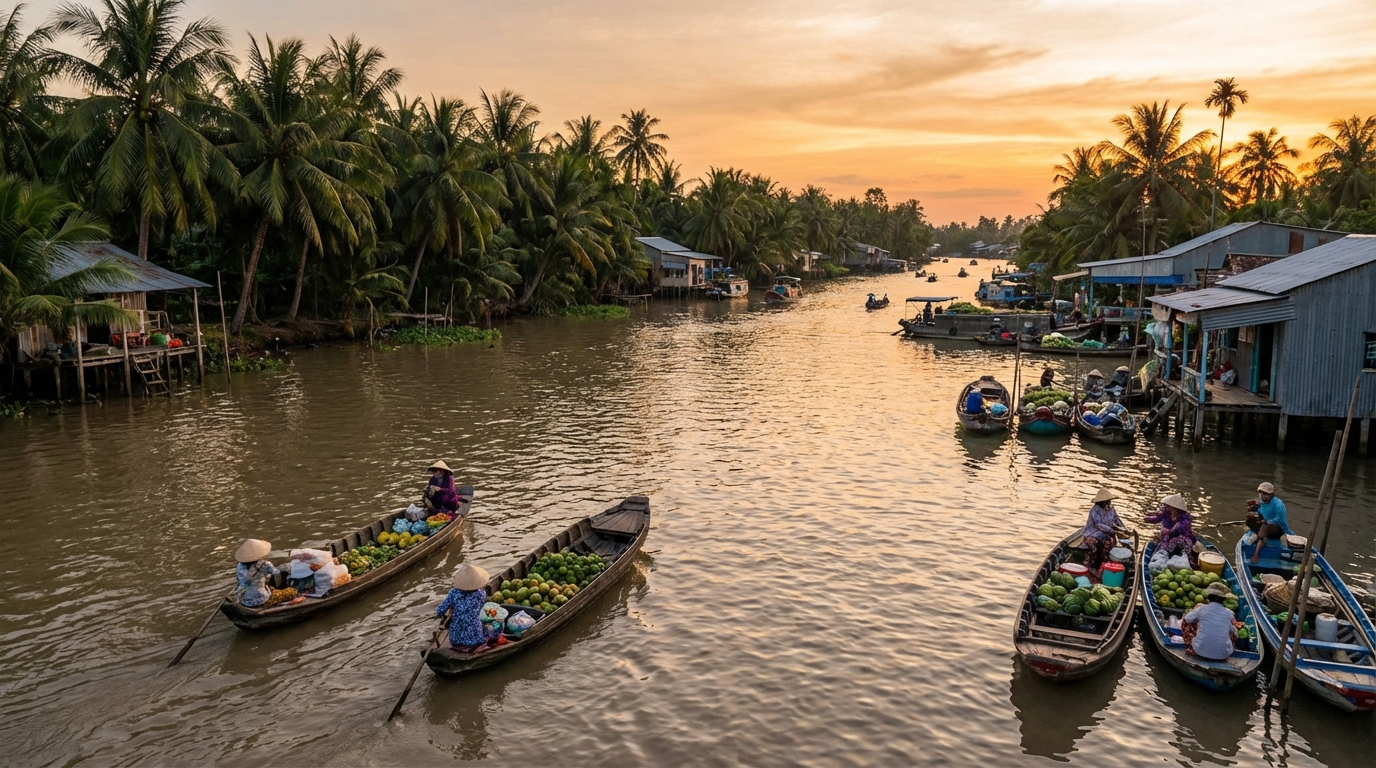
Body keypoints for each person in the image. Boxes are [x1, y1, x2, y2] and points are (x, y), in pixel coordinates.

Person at [436, 563, 501, 652]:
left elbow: (440, 611)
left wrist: (447, 613)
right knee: (492, 628)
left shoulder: (453, 593)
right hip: (476, 639)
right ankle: (477, 646)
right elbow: (478, 610)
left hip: (455, 640)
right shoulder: (481, 594)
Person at [1181, 582, 1239, 660]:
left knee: (1187, 621)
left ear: (1208, 597)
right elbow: (1235, 632)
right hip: (1224, 654)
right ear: (1224, 599)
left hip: (1199, 651)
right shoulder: (1229, 613)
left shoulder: (1202, 609)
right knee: (1233, 628)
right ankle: (1223, 648)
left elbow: (1187, 619)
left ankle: (1189, 644)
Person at [233, 538, 298, 608]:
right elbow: (276, 572)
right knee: (293, 591)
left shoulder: (240, 565)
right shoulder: (265, 564)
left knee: (271, 588)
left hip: (243, 599)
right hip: (261, 600)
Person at [1083, 489, 1127, 573]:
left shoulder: (1111, 509)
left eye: (1108, 502)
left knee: (1109, 544)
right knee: (1092, 546)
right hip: (1093, 533)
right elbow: (1099, 524)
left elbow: (1117, 520)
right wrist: (1113, 531)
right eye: (1105, 502)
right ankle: (1089, 566)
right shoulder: (1095, 510)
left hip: (1107, 534)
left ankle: (1104, 565)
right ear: (1100, 502)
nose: (1107, 504)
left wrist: (1123, 529)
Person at [1247, 482, 1287, 563]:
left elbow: (1280, 520)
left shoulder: (1278, 504)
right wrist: (1253, 510)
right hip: (1265, 525)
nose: (1264, 496)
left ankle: (1256, 554)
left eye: (1266, 494)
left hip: (1278, 529)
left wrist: (1267, 521)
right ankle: (1260, 535)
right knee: (1249, 518)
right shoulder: (1262, 502)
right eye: (1262, 494)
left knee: (1265, 526)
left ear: (1271, 495)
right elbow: (1260, 513)